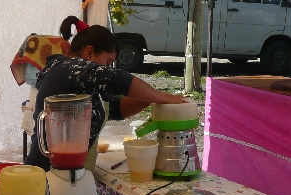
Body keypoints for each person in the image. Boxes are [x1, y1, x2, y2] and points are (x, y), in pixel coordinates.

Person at [25, 16, 187, 170]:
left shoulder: (82, 83)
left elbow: (116, 108)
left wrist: (151, 98)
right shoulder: (68, 68)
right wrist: (162, 96)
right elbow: (116, 79)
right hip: (45, 172)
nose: (108, 68)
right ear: (89, 52)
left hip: (66, 173)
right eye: (108, 62)